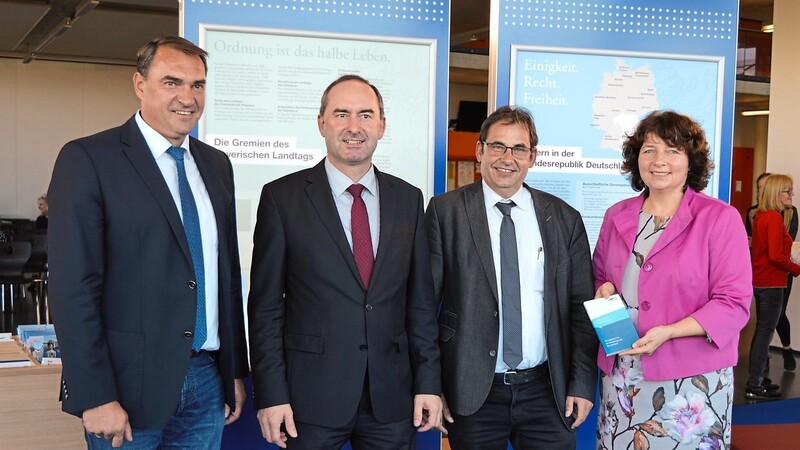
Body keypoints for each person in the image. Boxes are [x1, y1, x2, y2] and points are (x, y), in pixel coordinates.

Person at [47, 36, 248, 448]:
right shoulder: (89, 159)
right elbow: (72, 289)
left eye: (198, 85)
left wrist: (233, 373)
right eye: (172, 82)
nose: (187, 98)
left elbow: (224, 275)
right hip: (125, 389)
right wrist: (95, 394)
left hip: (207, 381)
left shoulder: (216, 164)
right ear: (140, 84)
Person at [247, 74, 442, 449]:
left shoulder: (408, 200)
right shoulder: (281, 198)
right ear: (321, 123)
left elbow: (419, 304)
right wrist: (271, 393)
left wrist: (428, 383)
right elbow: (266, 308)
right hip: (310, 398)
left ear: (382, 125)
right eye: (341, 114)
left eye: (366, 115)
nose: (354, 127)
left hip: (392, 399)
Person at [425, 105, 597, 449]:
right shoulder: (446, 212)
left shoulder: (564, 219)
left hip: (547, 392)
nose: (508, 157)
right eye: (497, 146)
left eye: (519, 148)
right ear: (480, 151)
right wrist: (431, 385)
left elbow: (582, 309)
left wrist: (580, 383)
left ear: (532, 157)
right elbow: (424, 308)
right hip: (471, 391)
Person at [592, 110, 751, 449]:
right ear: (637, 159)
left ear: (691, 162)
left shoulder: (720, 219)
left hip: (691, 383)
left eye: (673, 150)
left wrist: (670, 331)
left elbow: (734, 303)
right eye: (649, 149)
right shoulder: (616, 215)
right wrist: (603, 289)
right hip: (622, 375)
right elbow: (599, 275)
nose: (659, 160)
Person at [748, 174, 800, 398]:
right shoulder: (774, 218)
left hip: (763, 281)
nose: (792, 195)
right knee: (764, 333)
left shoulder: (762, 216)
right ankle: (755, 385)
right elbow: (776, 255)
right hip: (771, 282)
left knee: (763, 331)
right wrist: (796, 269)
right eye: (788, 190)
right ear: (777, 193)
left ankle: (759, 379)